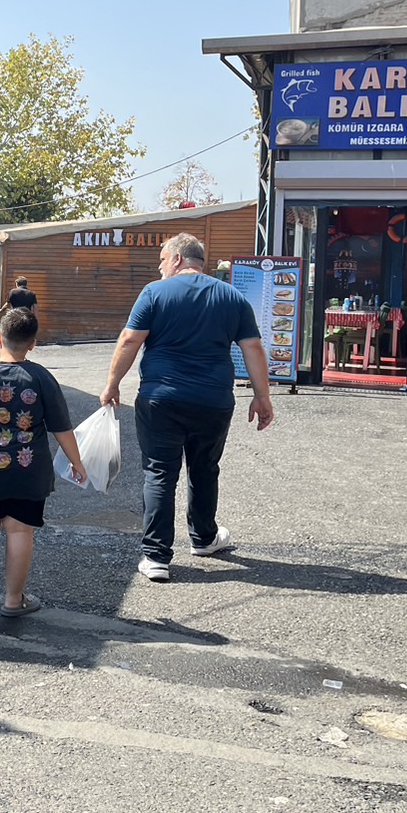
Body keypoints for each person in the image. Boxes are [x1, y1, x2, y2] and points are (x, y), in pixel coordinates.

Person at [98, 233, 274, 584]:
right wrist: (262, 396)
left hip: (160, 399)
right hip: (212, 400)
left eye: (162, 259)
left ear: (178, 259)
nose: (160, 266)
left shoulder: (154, 293)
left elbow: (131, 339)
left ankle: (156, 557)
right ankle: (204, 538)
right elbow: (252, 347)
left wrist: (112, 383)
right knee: (205, 468)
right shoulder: (232, 297)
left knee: (160, 472)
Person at [0, 308, 85, 619]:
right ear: (33, 343)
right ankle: (13, 600)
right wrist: (76, 463)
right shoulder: (41, 378)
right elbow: (61, 427)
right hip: (28, 473)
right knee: (20, 530)